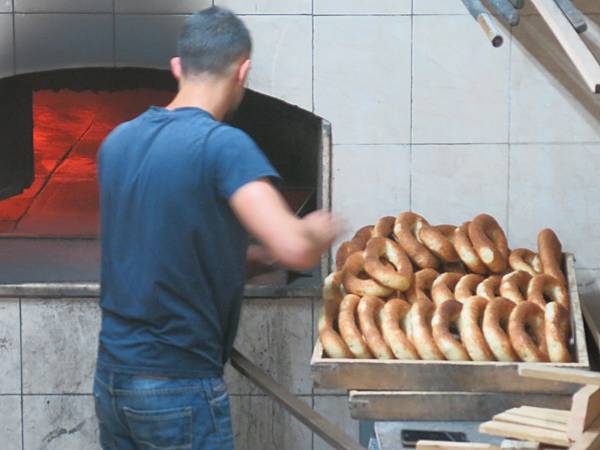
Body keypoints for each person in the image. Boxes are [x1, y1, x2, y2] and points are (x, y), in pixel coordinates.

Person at [93, 7, 340, 450]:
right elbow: (296, 249)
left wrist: (253, 260)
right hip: (178, 387)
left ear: (177, 68)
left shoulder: (118, 142)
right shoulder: (222, 145)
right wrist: (321, 229)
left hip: (114, 379)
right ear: (243, 72)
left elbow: (160, 249)